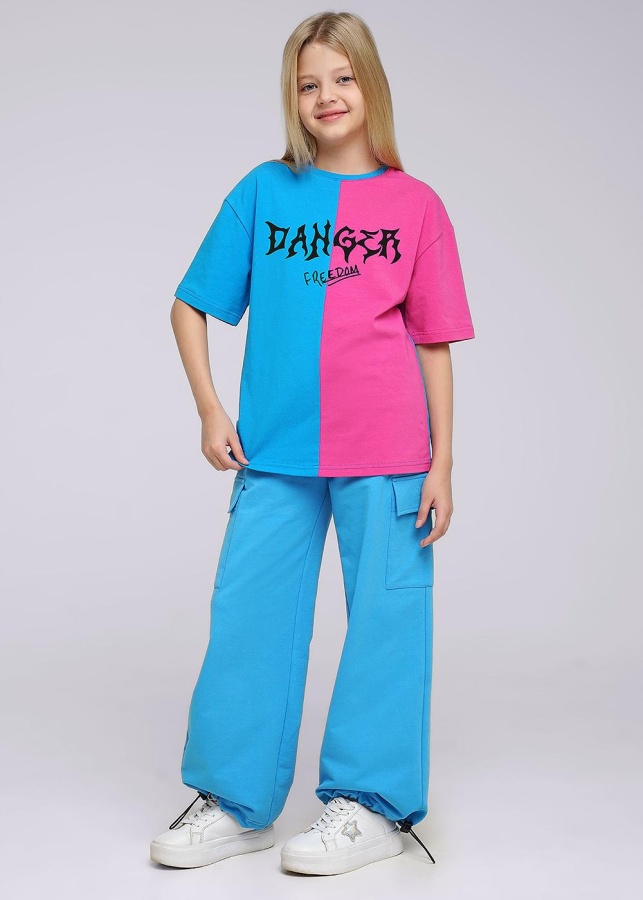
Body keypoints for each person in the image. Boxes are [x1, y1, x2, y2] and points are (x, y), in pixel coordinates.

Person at [150, 9, 475, 877]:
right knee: (248, 618)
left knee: (386, 625)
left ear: (370, 87)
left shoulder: (416, 205)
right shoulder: (264, 191)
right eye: (307, 84)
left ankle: (370, 804)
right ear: (291, 99)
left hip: (391, 456)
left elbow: (432, 342)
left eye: (341, 77)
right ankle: (234, 800)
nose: (326, 96)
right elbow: (189, 304)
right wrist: (210, 411)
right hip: (276, 453)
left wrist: (442, 461)